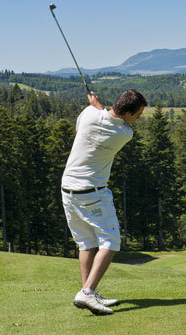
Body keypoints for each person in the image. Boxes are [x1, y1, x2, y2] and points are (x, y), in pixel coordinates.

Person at [61, 89, 147, 315]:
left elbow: (82, 129)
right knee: (110, 242)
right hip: (93, 192)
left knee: (86, 243)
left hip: (68, 189)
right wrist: (98, 107)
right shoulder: (124, 134)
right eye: (137, 115)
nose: (137, 120)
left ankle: (87, 291)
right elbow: (109, 120)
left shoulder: (88, 114)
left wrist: (95, 107)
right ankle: (88, 292)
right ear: (127, 113)